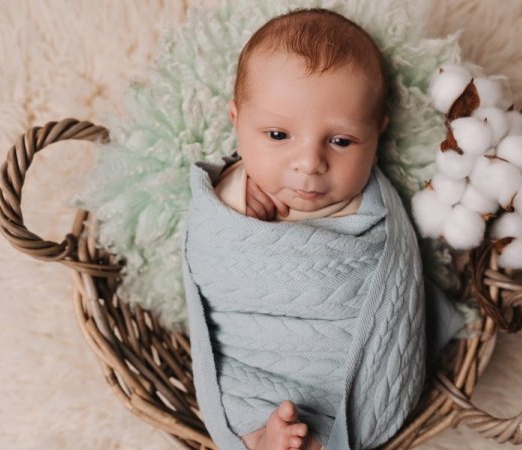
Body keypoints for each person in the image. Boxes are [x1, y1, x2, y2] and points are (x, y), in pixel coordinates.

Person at [183, 8, 460, 450]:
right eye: (277, 135)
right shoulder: (233, 193)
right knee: (244, 402)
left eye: (341, 141)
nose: (310, 163)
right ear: (236, 123)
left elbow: (392, 268)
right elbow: (211, 248)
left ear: (377, 134)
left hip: (342, 368)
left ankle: (304, 439)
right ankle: (262, 436)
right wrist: (233, 194)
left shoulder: (371, 204)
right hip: (250, 362)